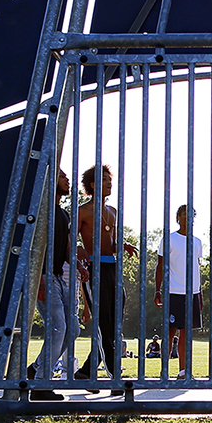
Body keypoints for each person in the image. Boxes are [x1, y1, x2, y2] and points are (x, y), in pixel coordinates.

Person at [73, 165, 138, 381]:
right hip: (93, 268)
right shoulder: (83, 210)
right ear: (93, 184)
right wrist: (78, 248)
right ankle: (114, 374)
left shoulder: (113, 212)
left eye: (111, 180)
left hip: (112, 267)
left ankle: (86, 371)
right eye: (104, 180)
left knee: (114, 324)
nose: (110, 183)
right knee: (104, 324)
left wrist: (124, 245)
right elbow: (69, 239)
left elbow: (112, 242)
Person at [29, 169, 89, 399]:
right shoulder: (41, 212)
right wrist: (40, 278)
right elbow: (34, 246)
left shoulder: (63, 215)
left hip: (57, 276)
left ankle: (35, 370)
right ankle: (42, 384)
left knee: (72, 328)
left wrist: (78, 266)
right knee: (58, 327)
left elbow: (64, 248)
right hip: (43, 276)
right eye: (62, 177)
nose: (67, 180)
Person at [154, 205, 203, 379]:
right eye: (184, 214)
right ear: (178, 217)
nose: (187, 217)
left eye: (191, 215)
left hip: (192, 294)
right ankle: (164, 370)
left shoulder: (197, 242)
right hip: (173, 291)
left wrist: (200, 294)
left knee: (186, 334)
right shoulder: (170, 239)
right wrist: (158, 290)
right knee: (169, 332)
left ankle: (183, 371)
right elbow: (160, 266)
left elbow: (197, 268)